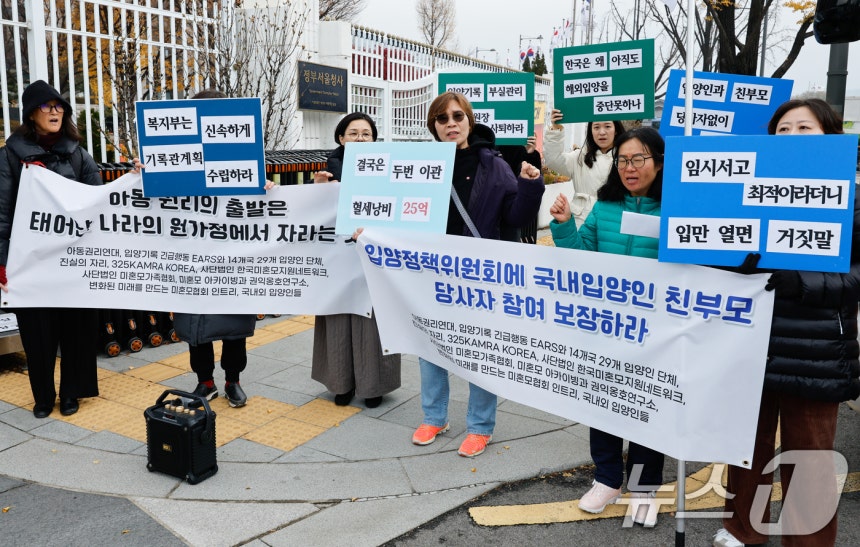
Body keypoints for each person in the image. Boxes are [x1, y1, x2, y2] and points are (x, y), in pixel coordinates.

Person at [713, 99, 860, 547]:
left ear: (831, 137)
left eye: (805, 128)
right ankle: (742, 529)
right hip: (748, 343)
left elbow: (854, 278)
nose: (792, 137)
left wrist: (799, 281)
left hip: (813, 351)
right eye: (783, 130)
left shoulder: (851, 197)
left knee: (810, 460)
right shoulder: (741, 190)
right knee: (744, 449)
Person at [409, 91, 544, 457]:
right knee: (429, 346)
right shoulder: (418, 164)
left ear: (469, 120)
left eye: (457, 116)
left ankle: (480, 425)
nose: (450, 124)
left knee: (481, 347)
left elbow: (515, 218)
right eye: (442, 118)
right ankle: (434, 416)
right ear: (433, 127)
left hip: (480, 277)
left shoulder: (494, 164)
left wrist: (531, 185)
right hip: (433, 273)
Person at [549, 126, 666, 526]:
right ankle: (607, 479)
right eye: (623, 160)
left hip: (655, 331)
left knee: (648, 407)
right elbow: (581, 259)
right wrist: (564, 225)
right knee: (604, 404)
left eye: (639, 159)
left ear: (660, 162)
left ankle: (645, 488)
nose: (630, 167)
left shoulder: (677, 211)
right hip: (606, 327)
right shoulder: (605, 206)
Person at [0, 80, 103, 418]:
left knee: (76, 328)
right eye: (47, 106)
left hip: (73, 260)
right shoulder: (11, 157)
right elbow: (1, 213)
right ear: (31, 114)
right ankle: (43, 397)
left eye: (59, 105)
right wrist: (2, 263)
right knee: (38, 332)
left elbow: (99, 202)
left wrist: (132, 178)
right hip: (31, 262)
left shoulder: (78, 154)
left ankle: (71, 392)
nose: (55, 110)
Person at [171, 89, 257, 408]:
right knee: (196, 325)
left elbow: (255, 200)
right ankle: (204, 381)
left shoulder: (242, 157)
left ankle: (233, 380)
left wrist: (267, 189)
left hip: (231, 258)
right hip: (192, 257)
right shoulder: (177, 159)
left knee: (233, 324)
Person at [311, 112, 402, 408]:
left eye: (366, 134)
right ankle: (341, 383)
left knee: (372, 320)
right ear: (341, 138)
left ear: (375, 140)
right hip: (338, 258)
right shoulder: (327, 174)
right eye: (353, 133)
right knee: (338, 317)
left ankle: (373, 385)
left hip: (372, 256)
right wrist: (318, 191)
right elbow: (310, 215)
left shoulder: (390, 172)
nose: (360, 139)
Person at [544, 109, 625, 227]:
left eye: (607, 126)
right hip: (581, 222)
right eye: (596, 127)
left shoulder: (627, 158)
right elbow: (553, 160)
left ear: (616, 129)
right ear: (590, 131)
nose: (602, 132)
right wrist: (555, 129)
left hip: (613, 222)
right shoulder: (580, 157)